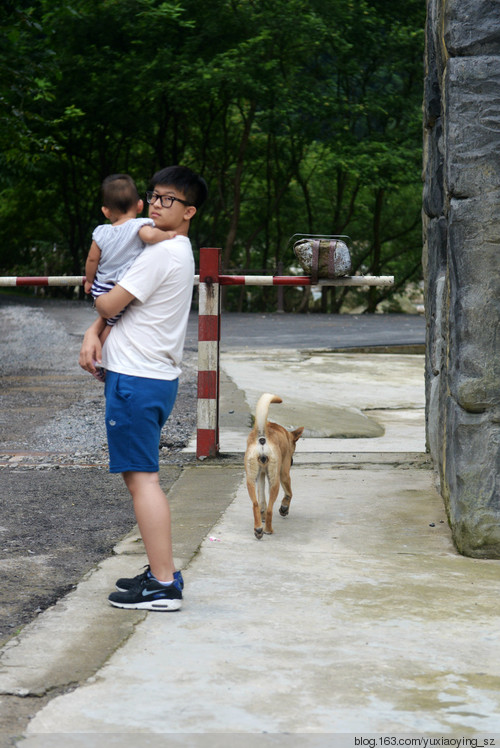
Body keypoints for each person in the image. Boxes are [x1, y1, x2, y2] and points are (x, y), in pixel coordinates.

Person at [79, 165, 208, 611]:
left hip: (137, 379)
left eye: (167, 199)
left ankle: (164, 584)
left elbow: (110, 300)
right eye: (153, 195)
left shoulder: (161, 253)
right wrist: (94, 332)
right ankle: (159, 574)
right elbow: (123, 310)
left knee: (143, 481)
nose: (156, 203)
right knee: (141, 478)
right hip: (148, 376)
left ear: (188, 210)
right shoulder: (170, 246)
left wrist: (96, 298)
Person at [84, 174, 177, 355]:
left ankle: (98, 355)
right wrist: (167, 235)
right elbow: (150, 237)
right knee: (113, 325)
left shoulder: (101, 232)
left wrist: (89, 280)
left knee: (107, 321)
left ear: (106, 211)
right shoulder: (140, 225)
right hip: (121, 288)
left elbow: (92, 259)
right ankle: (100, 359)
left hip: (101, 287)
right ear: (140, 205)